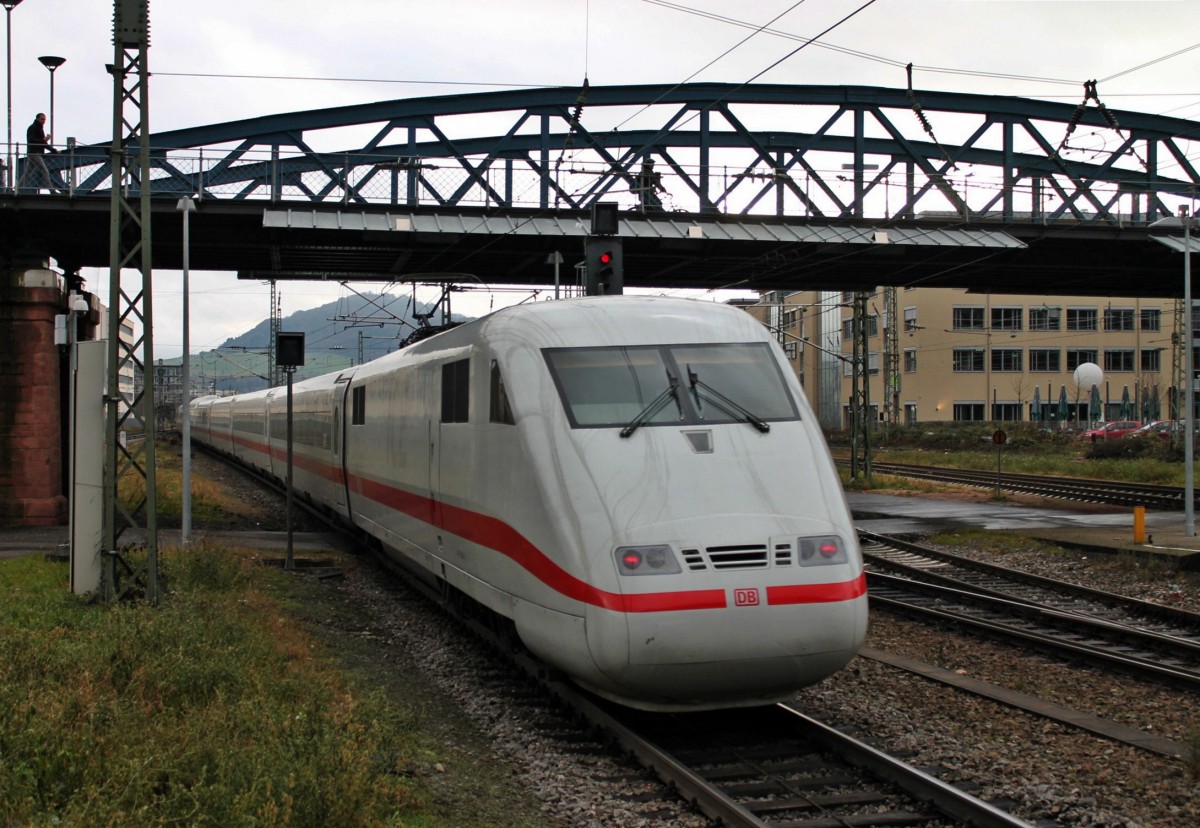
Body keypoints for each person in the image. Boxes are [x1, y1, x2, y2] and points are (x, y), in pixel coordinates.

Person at [18, 113, 55, 193]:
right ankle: (52, 190)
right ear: (37, 119)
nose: (43, 121)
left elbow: (43, 143)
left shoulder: (39, 128)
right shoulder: (33, 128)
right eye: (42, 119)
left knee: (28, 173)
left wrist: (53, 150)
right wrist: (44, 140)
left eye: (44, 119)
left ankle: (17, 189)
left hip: (34, 153)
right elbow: (31, 140)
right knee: (44, 170)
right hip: (34, 153)